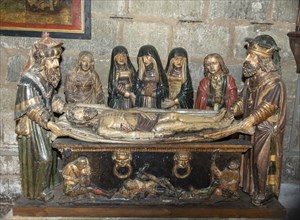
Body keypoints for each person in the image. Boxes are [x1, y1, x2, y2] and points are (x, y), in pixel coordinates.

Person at [229, 37, 287, 206]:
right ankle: (249, 187)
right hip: (250, 128)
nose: (247, 60)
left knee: (260, 161)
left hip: (265, 131)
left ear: (264, 60)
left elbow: (267, 107)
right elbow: (242, 99)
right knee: (246, 158)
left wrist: (250, 120)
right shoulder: (251, 80)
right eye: (248, 55)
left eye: (252, 57)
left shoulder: (274, 83)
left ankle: (262, 192)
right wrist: (233, 110)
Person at [15, 32, 66, 201]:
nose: (56, 64)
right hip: (33, 125)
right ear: (42, 61)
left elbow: (50, 99)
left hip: (45, 121)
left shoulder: (47, 77)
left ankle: (48, 185)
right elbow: (34, 109)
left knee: (51, 157)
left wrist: (63, 107)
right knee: (43, 158)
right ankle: (36, 192)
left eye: (57, 59)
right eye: (52, 60)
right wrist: (51, 125)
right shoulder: (28, 81)